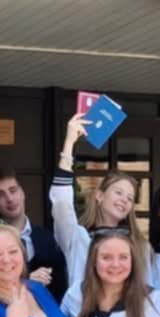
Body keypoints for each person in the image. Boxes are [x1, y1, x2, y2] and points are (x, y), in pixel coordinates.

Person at [48, 113, 140, 296]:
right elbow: (61, 202)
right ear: (99, 196)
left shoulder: (138, 245)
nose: (124, 199)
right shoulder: (77, 238)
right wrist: (69, 143)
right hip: (83, 312)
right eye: (118, 192)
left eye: (130, 198)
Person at [0, 167, 68, 287]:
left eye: (13, 191)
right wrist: (25, 282)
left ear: (22, 193)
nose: (9, 199)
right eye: (0, 195)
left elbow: (60, 286)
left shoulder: (47, 238)